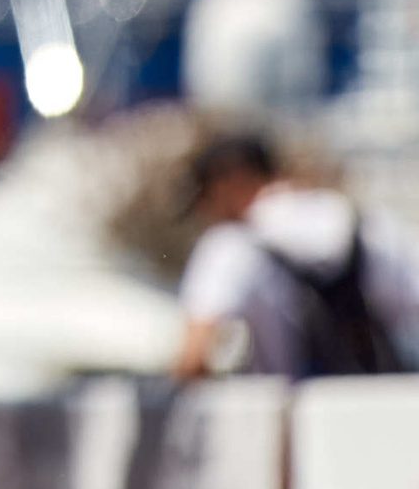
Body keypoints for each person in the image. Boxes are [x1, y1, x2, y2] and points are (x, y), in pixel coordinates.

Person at [173, 132, 419, 379]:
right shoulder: (368, 224)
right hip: (387, 405)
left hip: (296, 410)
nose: (204, 214)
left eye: (205, 198)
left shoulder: (228, 245)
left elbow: (194, 357)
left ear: (229, 183)